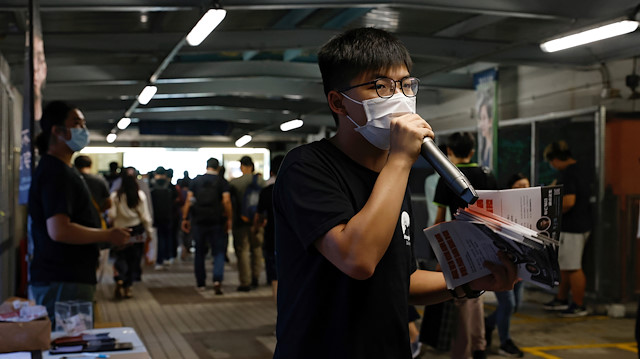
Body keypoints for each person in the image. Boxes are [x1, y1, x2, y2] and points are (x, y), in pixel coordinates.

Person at [272, 28, 516, 359]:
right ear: (338, 102)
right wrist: (401, 159)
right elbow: (357, 259)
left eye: (405, 84)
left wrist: (471, 279)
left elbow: (402, 282)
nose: (399, 97)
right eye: (380, 86)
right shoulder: (307, 166)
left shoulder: (390, 175)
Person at [28, 101, 130, 325]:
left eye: (83, 124)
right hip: (63, 278)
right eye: (76, 123)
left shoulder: (61, 169)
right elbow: (59, 230)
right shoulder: (56, 173)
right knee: (70, 344)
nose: (83, 130)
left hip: (66, 276)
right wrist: (107, 235)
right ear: (57, 131)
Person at [433, 132, 498, 359]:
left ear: (449, 152)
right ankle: (479, 346)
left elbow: (440, 219)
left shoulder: (447, 177)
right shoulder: (486, 175)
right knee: (477, 294)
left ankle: (463, 352)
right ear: (472, 151)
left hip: (458, 243)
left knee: (461, 299)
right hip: (485, 241)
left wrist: (439, 251)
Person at [542, 140, 592, 317]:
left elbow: (569, 201)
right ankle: (562, 299)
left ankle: (578, 304)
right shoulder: (580, 169)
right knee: (564, 265)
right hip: (579, 224)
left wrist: (550, 209)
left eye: (551, 161)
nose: (552, 165)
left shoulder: (569, 174)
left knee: (573, 267)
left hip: (573, 227)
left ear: (556, 159)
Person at [484, 173, 529, 358]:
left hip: (521, 263)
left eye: (526, 186)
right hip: (501, 263)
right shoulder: (500, 208)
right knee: (508, 304)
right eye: (518, 186)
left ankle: (487, 324)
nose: (523, 190)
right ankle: (505, 342)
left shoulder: (531, 210)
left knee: (514, 305)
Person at [182, 158, 232, 294]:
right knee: (219, 251)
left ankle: (200, 282)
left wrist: (185, 218)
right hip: (217, 221)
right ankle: (217, 280)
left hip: (199, 221)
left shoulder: (196, 181)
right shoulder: (222, 182)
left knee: (199, 252)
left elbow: (188, 200)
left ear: (207, 166)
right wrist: (229, 218)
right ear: (218, 168)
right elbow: (226, 201)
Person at [108, 171, 153, 299]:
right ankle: (128, 287)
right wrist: (149, 233)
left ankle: (120, 279)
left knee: (120, 257)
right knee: (134, 259)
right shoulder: (140, 195)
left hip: (120, 231)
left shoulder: (115, 196)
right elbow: (145, 217)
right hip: (136, 231)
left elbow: (111, 215)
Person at [230, 155, 266, 291]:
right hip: (258, 221)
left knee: (243, 251)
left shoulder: (234, 183)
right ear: (252, 166)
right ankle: (256, 277)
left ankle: (245, 282)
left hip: (240, 222)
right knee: (257, 249)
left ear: (242, 166)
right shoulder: (261, 182)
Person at [255, 155, 284, 303]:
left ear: (271, 171)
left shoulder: (266, 191)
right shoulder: (297, 189)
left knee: (275, 277)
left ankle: (280, 314)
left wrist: (256, 227)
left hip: (272, 236)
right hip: (294, 240)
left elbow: (259, 215)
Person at [151, 166, 178, 270]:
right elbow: (176, 199)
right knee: (168, 237)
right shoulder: (170, 186)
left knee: (159, 238)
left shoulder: (152, 185)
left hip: (156, 216)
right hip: (168, 215)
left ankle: (159, 260)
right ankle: (168, 257)